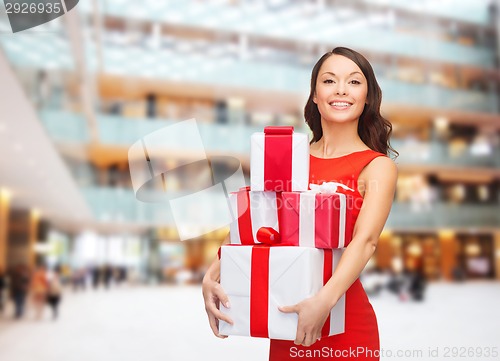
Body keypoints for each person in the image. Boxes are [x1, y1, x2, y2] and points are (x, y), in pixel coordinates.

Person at [202, 47, 398, 361]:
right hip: (287, 322)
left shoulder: (376, 167)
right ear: (315, 95)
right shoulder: (289, 160)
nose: (341, 90)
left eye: (354, 82)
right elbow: (254, 224)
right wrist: (213, 274)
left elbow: (365, 241)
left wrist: (323, 302)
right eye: (329, 80)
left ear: (368, 97)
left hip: (344, 325)